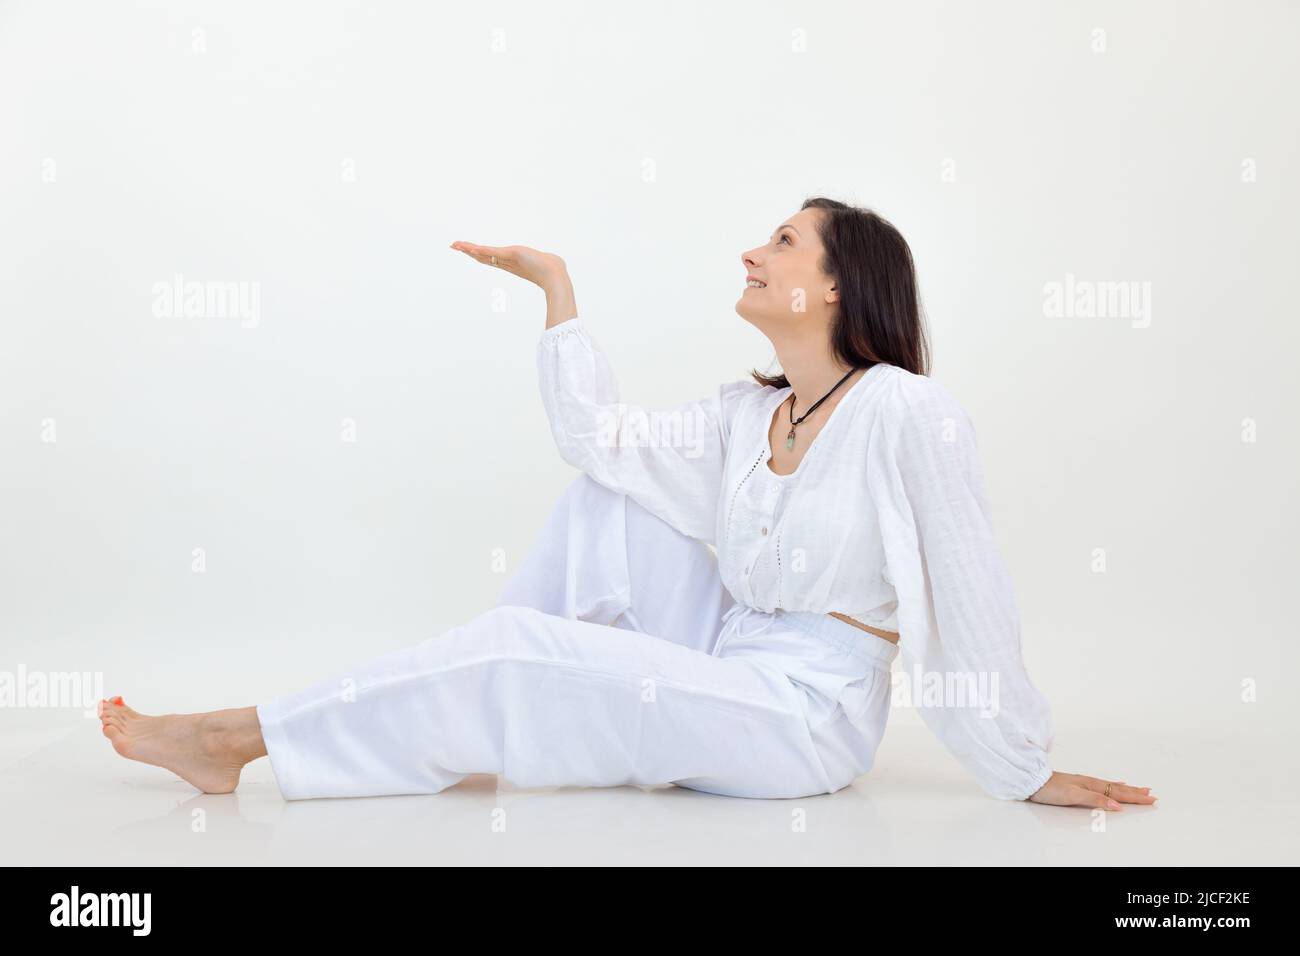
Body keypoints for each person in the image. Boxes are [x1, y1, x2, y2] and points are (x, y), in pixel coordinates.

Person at [98, 197, 1155, 811]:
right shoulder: (752, 416)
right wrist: (557, 291)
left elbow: (971, 593)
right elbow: (596, 440)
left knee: (523, 644)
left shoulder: (909, 415)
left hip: (806, 718)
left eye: (782, 242)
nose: (753, 250)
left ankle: (238, 735)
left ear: (838, 285)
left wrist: (1022, 768)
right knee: (607, 502)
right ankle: (471, 717)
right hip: (732, 647)